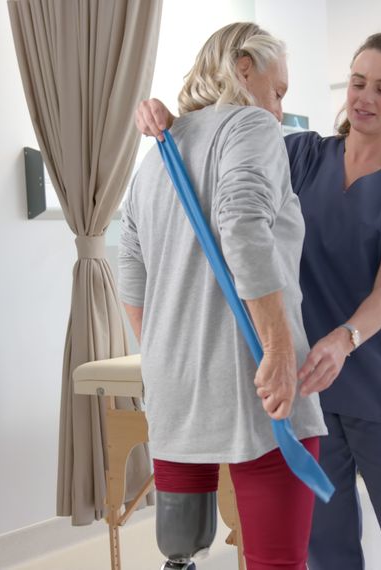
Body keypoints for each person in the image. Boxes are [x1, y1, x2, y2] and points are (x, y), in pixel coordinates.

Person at [135, 29, 381, 570]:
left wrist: (345, 338)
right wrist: (169, 123)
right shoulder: (300, 153)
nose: (365, 98)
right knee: (323, 540)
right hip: (303, 378)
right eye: (358, 83)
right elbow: (218, 164)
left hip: (378, 372)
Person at [118, 22, 327, 570]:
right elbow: (239, 223)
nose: (279, 110)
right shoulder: (250, 125)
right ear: (242, 68)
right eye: (278, 91)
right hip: (253, 378)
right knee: (275, 560)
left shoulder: (155, 155)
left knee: (180, 551)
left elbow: (129, 269)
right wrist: (280, 349)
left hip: (174, 387)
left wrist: (166, 351)